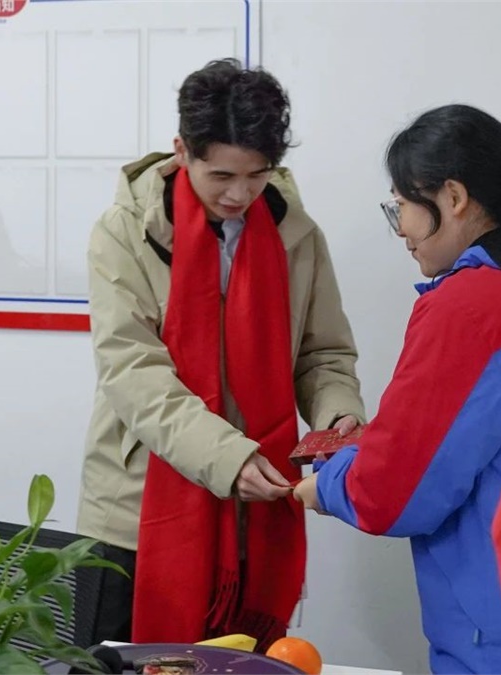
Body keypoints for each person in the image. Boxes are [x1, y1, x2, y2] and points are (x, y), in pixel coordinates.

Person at [292, 104, 501, 674]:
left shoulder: (470, 308)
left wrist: (328, 483)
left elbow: (394, 492)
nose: (401, 230)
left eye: (400, 207)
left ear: (452, 197)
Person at [77, 58, 367, 649]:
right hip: (135, 513)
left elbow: (324, 354)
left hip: (256, 510)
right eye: (221, 176)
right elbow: (133, 372)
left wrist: (338, 416)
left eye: (258, 175)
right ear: (182, 151)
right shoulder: (123, 232)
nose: (240, 194)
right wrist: (226, 459)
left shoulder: (295, 234)